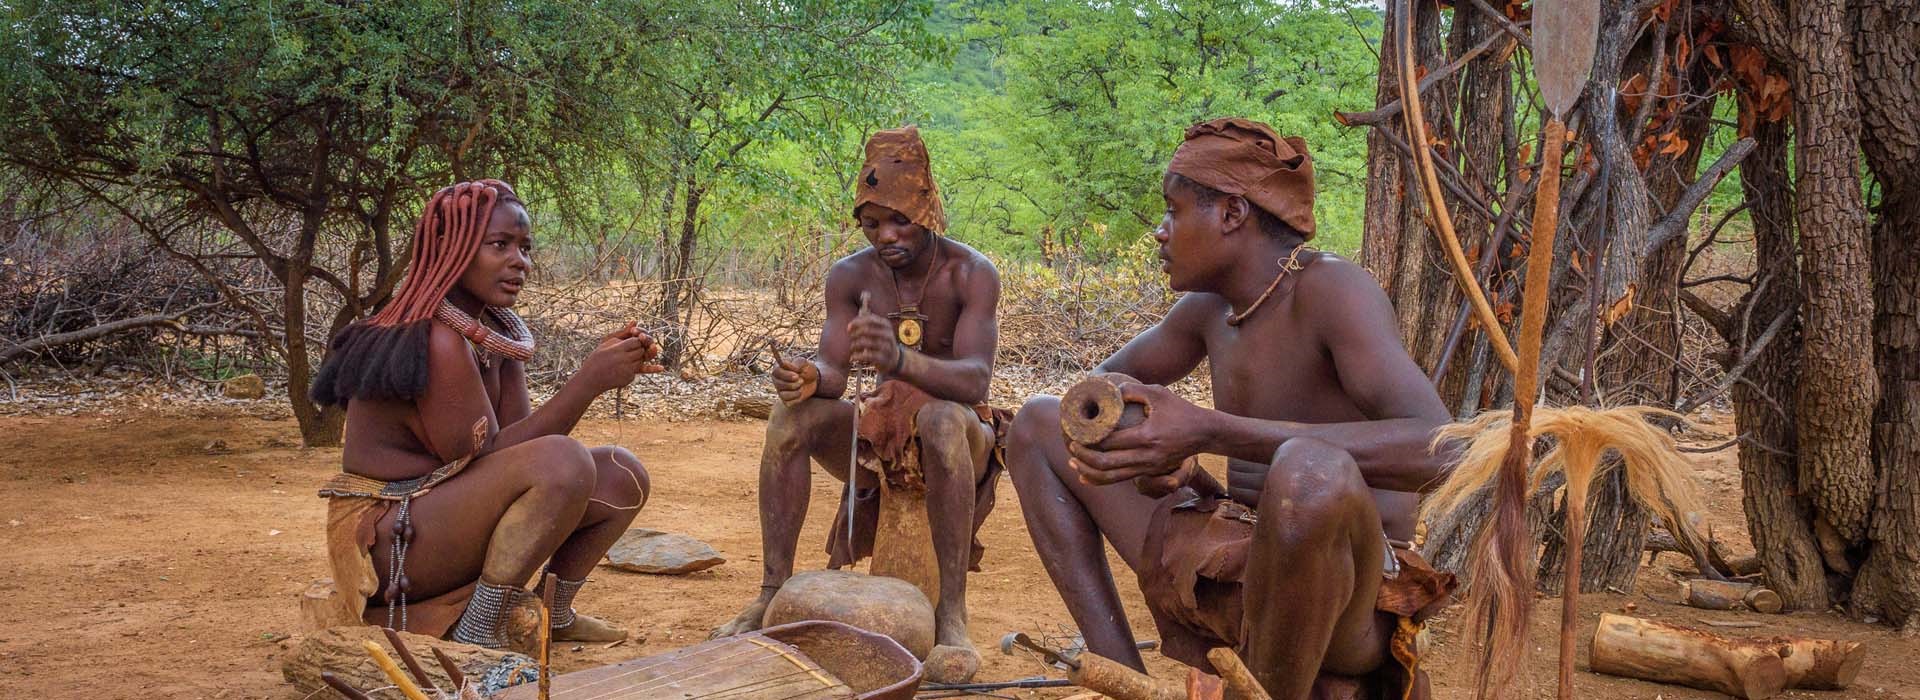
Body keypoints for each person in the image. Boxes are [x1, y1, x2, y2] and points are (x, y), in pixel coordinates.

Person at [1005, 119, 1457, 699]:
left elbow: (1445, 449)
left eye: (1173, 211)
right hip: (1232, 561)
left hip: (1347, 597)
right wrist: (1151, 449)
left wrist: (1208, 431)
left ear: (1232, 214)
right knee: (1038, 423)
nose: (1160, 233)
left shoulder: (1332, 292)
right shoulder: (1208, 309)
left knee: (1309, 472)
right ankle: (1121, 677)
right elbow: (1093, 398)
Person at [710, 127, 1005, 683]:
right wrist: (806, 377)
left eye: (900, 221)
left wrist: (897, 360)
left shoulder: (971, 273)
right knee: (789, 418)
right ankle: (772, 592)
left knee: (941, 418)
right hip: (878, 433)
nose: (886, 236)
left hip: (961, 434)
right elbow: (834, 371)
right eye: (872, 224)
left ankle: (951, 615)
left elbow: (973, 381)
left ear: (930, 211)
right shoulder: (849, 275)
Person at [311, 180, 659, 649]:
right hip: (394, 541)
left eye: (525, 248)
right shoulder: (436, 337)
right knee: (564, 462)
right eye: (500, 245)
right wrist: (588, 381)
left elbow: (519, 446)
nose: (520, 261)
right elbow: (484, 457)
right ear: (451, 250)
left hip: (442, 516)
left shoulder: (492, 333)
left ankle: (554, 614)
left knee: (621, 472)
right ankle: (481, 630)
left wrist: (596, 372)